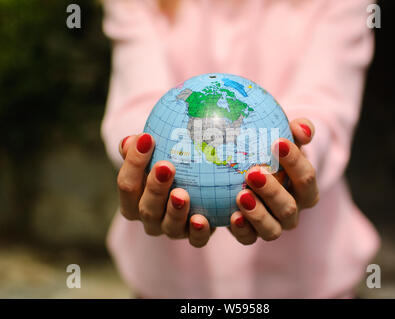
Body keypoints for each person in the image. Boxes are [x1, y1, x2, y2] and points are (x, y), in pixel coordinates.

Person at [101, 0, 380, 298]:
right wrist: (141, 155)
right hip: (168, 282)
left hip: (307, 280)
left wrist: (297, 160)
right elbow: (139, 100)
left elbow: (325, 105)